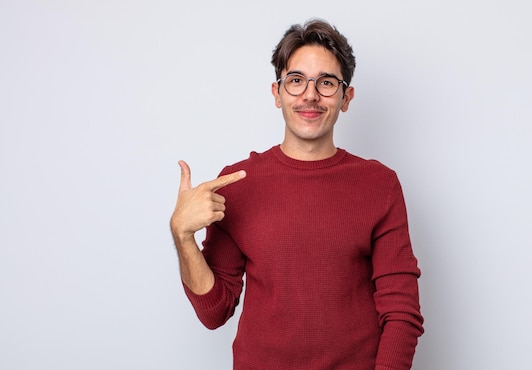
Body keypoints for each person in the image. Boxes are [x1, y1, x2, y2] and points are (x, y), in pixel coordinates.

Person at [170, 19, 424, 370]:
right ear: (276, 94)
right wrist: (182, 236)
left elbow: (402, 312)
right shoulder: (237, 182)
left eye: (326, 83)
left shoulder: (379, 185)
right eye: (296, 80)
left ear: (346, 97)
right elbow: (215, 311)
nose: (310, 95)